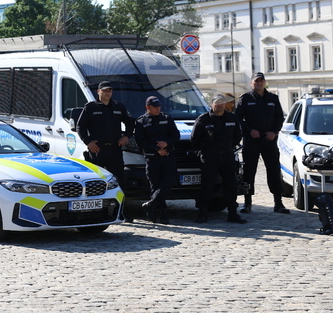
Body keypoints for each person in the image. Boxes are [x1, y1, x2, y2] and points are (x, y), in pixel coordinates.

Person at [76, 82, 135, 220]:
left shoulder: (118, 106)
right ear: (98, 92)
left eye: (110, 91)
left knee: (118, 181)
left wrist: (126, 136)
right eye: (105, 91)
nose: (108, 93)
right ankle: (92, 213)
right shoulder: (90, 108)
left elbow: (130, 122)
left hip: (114, 149)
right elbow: (80, 126)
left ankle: (120, 212)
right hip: (97, 150)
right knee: (95, 182)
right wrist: (88, 141)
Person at [236, 72, 288, 214]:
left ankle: (278, 202)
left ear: (264, 82)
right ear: (251, 83)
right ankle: (247, 203)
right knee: (249, 172)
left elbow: (279, 118)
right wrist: (249, 130)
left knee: (273, 171)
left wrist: (275, 132)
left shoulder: (273, 98)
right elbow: (238, 119)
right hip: (252, 140)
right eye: (256, 81)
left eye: (261, 81)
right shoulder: (245, 99)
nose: (258, 83)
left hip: (269, 140)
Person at [191, 94, 247, 224]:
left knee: (231, 184)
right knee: (207, 185)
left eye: (222, 103)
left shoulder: (232, 118)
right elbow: (195, 140)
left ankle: (232, 213)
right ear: (212, 105)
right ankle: (203, 212)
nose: (220, 105)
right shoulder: (203, 120)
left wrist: (228, 147)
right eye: (217, 103)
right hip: (210, 156)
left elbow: (237, 137)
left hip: (227, 155)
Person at [134, 96, 180, 224]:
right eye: (155, 106)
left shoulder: (166, 118)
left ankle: (150, 204)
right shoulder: (141, 122)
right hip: (152, 158)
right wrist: (156, 149)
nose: (158, 108)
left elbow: (176, 135)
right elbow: (140, 142)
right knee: (155, 186)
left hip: (168, 156)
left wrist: (167, 142)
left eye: (159, 106)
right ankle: (161, 213)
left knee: (169, 181)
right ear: (147, 107)